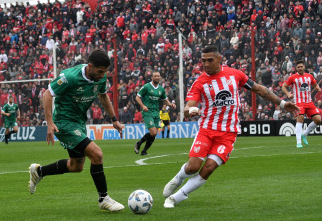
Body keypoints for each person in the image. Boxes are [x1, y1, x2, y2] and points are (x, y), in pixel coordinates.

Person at [163, 45, 299, 208]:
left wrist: (283, 103)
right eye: (203, 61)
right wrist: (189, 111)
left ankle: (176, 197)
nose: (206, 64)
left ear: (219, 59)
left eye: (210, 60)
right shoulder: (199, 82)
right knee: (193, 167)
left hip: (228, 134)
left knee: (209, 168)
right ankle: (178, 178)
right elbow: (187, 107)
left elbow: (259, 89)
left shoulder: (235, 75)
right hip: (206, 130)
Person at [28, 49, 124, 212]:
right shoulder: (70, 77)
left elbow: (103, 95)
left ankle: (39, 171)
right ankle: (104, 198)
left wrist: (114, 119)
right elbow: (47, 94)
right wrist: (50, 123)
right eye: (100, 72)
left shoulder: (100, 77)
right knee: (97, 154)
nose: (102, 76)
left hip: (79, 123)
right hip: (63, 123)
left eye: (105, 72)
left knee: (76, 166)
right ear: (90, 66)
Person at [134, 71, 176, 155]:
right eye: (155, 76)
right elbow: (137, 97)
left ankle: (144, 151)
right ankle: (139, 143)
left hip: (156, 112)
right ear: (152, 77)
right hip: (147, 111)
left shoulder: (161, 89)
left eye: (158, 76)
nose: (157, 77)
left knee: (154, 134)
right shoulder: (146, 86)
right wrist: (143, 106)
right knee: (153, 132)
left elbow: (165, 100)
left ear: (160, 78)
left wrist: (170, 104)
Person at [282, 60, 321, 148]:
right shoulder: (293, 77)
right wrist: (288, 94)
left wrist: (318, 88)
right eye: (298, 67)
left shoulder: (309, 76)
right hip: (299, 102)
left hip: (309, 102)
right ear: (296, 68)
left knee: (318, 120)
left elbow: (315, 85)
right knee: (300, 119)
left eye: (301, 66)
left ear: (304, 67)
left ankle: (305, 134)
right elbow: (284, 87)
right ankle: (298, 142)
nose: (300, 68)